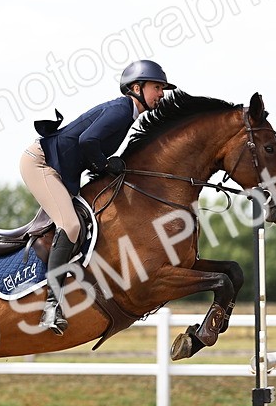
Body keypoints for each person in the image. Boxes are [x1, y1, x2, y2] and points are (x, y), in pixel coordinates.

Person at [19, 59, 175, 334]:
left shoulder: (127, 113)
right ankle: (51, 307)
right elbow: (87, 141)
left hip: (58, 167)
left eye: (162, 88)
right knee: (70, 225)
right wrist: (104, 165)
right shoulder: (121, 110)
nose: (161, 94)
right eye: (157, 87)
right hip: (40, 163)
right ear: (136, 88)